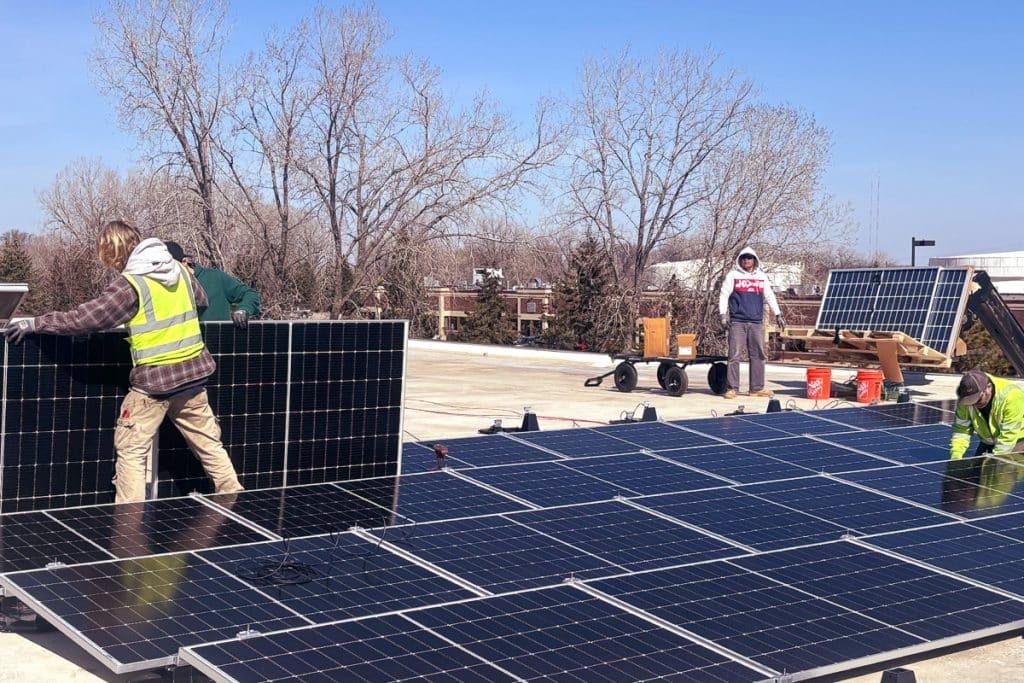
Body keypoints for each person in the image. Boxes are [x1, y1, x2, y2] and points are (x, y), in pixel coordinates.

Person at [2, 221, 243, 503]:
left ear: (114, 252)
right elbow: (200, 301)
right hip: (193, 375)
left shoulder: (131, 284)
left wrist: (35, 323)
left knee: (132, 451)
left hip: (154, 384)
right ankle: (236, 500)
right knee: (209, 444)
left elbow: (85, 319)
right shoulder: (179, 269)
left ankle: (129, 527)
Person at [718, 247, 785, 399]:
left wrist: (778, 314)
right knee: (734, 355)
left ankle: (756, 388)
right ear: (740, 260)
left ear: (754, 260)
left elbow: (769, 295)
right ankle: (732, 388)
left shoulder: (761, 277)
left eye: (749, 258)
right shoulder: (733, 276)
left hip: (756, 322)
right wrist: (723, 315)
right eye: (744, 258)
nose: (746, 260)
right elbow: (723, 295)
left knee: (758, 355)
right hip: (737, 322)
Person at [164, 241, 259, 328]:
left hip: (219, 342)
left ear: (184, 262)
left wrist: (243, 309)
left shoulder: (215, 277)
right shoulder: (165, 287)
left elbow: (250, 294)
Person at [950, 369, 1024, 459]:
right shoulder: (965, 400)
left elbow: (1008, 437)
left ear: (988, 387)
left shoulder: (1012, 397)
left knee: (1002, 469)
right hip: (989, 441)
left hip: (1017, 440)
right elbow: (961, 430)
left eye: (978, 399)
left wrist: (996, 461)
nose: (974, 404)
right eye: (971, 400)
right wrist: (956, 457)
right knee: (976, 469)